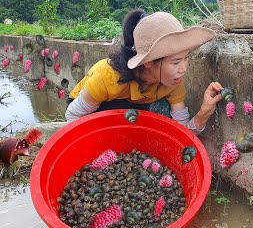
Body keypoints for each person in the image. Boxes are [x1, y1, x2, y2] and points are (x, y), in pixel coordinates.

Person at [65, 8, 223, 135]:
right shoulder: (107, 77)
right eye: (175, 62)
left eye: (186, 58)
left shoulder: (172, 82)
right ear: (148, 62)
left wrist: (203, 114)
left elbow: (182, 134)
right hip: (94, 111)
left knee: (162, 111)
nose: (183, 69)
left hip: (135, 108)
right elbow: (72, 117)